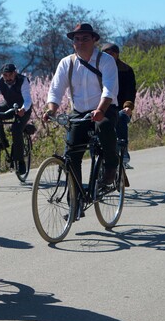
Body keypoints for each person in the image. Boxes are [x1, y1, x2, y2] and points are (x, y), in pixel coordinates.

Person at [43, 23, 119, 198]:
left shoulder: (105, 61)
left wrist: (100, 110)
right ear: (72, 42)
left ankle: (110, 167)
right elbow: (56, 90)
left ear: (94, 40)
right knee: (72, 154)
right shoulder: (66, 63)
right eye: (77, 39)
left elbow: (109, 89)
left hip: (104, 109)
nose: (81, 42)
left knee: (105, 127)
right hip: (79, 112)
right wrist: (51, 110)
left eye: (85, 38)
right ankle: (76, 196)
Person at [0, 63, 33, 175]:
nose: (8, 78)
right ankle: (3, 141)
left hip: (23, 108)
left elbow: (27, 99)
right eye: (5, 75)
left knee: (16, 130)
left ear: (15, 73)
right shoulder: (0, 82)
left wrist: (23, 109)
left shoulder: (23, 81)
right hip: (9, 105)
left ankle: (20, 161)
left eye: (10, 75)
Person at [101, 43, 136, 169]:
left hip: (120, 108)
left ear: (117, 54)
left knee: (121, 117)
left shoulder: (126, 70)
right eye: (106, 54)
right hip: (102, 108)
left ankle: (123, 150)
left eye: (111, 53)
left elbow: (130, 91)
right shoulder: (98, 69)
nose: (109, 56)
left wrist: (128, 106)